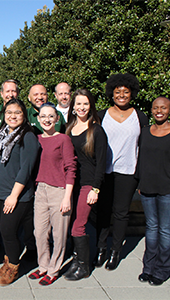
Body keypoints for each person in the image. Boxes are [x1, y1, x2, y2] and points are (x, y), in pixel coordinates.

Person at [95, 73, 148, 270]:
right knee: (103, 211)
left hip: (128, 172)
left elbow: (144, 147)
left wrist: (142, 176)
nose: (122, 95)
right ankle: (101, 248)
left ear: (132, 93)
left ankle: (115, 251)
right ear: (112, 93)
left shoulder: (139, 116)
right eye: (118, 92)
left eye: (126, 92)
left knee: (121, 213)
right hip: (106, 172)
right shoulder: (101, 115)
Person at [0, 98, 39, 286]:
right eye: (9, 112)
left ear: (24, 115)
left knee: (8, 231)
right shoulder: (1, 134)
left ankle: (14, 267)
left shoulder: (28, 137)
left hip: (16, 195)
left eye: (17, 112)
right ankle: (8, 261)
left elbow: (26, 169)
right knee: (5, 232)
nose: (12, 116)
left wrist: (14, 196)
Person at [29, 102, 76, 286]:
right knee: (39, 232)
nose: (47, 119)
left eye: (51, 116)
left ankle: (53, 269)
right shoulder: (36, 139)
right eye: (43, 116)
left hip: (60, 190)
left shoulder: (63, 139)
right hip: (41, 190)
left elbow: (71, 168)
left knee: (59, 235)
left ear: (57, 119)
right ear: (38, 119)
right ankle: (43, 265)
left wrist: (67, 196)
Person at [63, 89, 107, 281]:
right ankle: (76, 261)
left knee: (79, 226)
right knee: (72, 223)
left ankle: (84, 267)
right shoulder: (69, 127)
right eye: (78, 104)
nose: (81, 107)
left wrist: (95, 189)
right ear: (73, 106)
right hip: (71, 184)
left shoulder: (96, 130)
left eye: (85, 104)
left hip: (87, 185)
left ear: (91, 106)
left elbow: (102, 163)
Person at [136, 96, 170, 286]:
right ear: (151, 109)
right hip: (147, 187)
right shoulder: (145, 132)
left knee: (165, 231)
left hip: (167, 189)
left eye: (163, 108)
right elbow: (140, 158)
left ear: (168, 110)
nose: (159, 111)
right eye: (156, 107)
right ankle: (148, 268)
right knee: (151, 228)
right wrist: (140, 182)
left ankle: (163, 269)